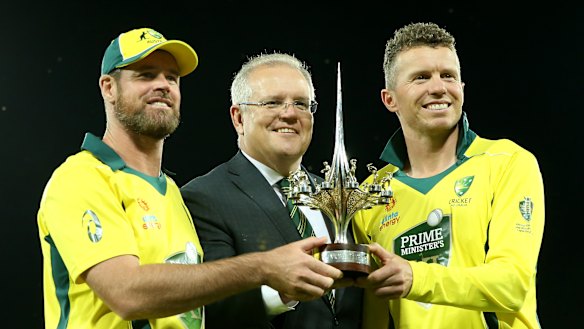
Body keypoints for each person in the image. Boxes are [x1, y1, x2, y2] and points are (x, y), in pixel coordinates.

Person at [37, 28, 343, 329]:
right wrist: (263, 267)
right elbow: (126, 293)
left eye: (171, 77)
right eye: (145, 74)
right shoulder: (81, 179)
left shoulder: (171, 192)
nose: (163, 85)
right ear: (108, 88)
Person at [352, 22, 545, 329]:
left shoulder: (508, 162)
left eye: (448, 76)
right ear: (390, 100)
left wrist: (417, 277)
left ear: (462, 89)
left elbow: (512, 284)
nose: (439, 87)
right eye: (421, 78)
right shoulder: (370, 194)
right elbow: (373, 313)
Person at [180, 52, 363, 329]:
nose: (289, 114)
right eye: (272, 102)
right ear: (238, 118)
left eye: (301, 104)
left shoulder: (338, 193)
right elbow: (207, 307)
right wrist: (280, 294)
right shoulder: (204, 198)